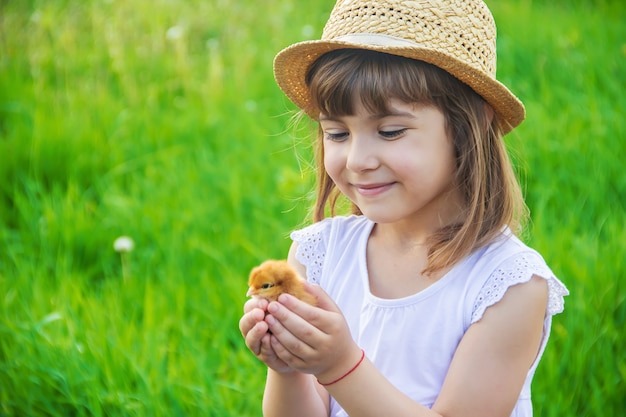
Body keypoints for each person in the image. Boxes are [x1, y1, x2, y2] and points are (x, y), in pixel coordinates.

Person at [239, 0, 569, 416]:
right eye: (337, 133)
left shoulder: (507, 285)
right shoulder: (318, 255)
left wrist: (340, 366)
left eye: (390, 131)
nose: (357, 159)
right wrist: (288, 365)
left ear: (473, 124)